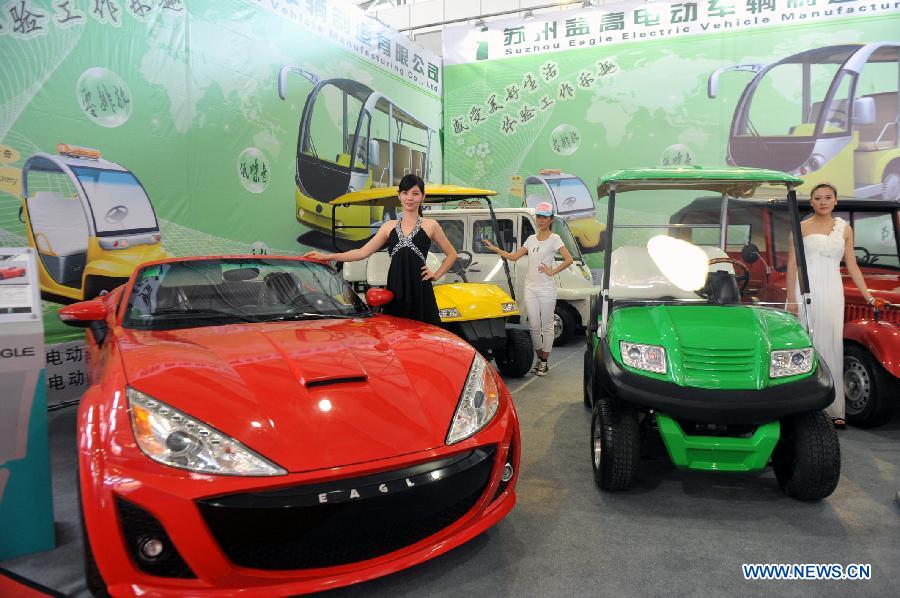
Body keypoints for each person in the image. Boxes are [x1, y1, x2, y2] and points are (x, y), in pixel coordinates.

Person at [304, 174, 458, 326]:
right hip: (396, 288)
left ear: (423, 197)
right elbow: (361, 252)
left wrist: (436, 275)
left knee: (426, 335)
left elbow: (452, 254)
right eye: (405, 193)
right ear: (399, 196)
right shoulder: (388, 226)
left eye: (415, 193)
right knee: (397, 334)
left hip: (421, 288)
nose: (409, 198)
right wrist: (327, 256)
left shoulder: (431, 225)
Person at [786, 183, 880, 429]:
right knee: (808, 342)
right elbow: (792, 265)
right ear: (812, 202)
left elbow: (852, 264)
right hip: (807, 288)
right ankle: (803, 406)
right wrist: (791, 299)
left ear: (835, 201)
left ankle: (835, 408)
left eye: (828, 197)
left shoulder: (845, 229)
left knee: (832, 345)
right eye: (817, 198)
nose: (823, 202)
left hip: (833, 291)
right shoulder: (801, 227)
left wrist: (868, 296)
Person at [483, 201, 573, 376]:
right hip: (530, 287)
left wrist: (552, 271)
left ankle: (544, 361)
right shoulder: (531, 239)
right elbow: (515, 256)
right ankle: (541, 359)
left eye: (544, 217)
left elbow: (568, 259)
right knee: (533, 325)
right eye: (539, 216)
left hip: (547, 287)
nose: (540, 220)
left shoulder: (555, 239)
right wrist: (495, 249)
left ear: (551, 220)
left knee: (547, 325)